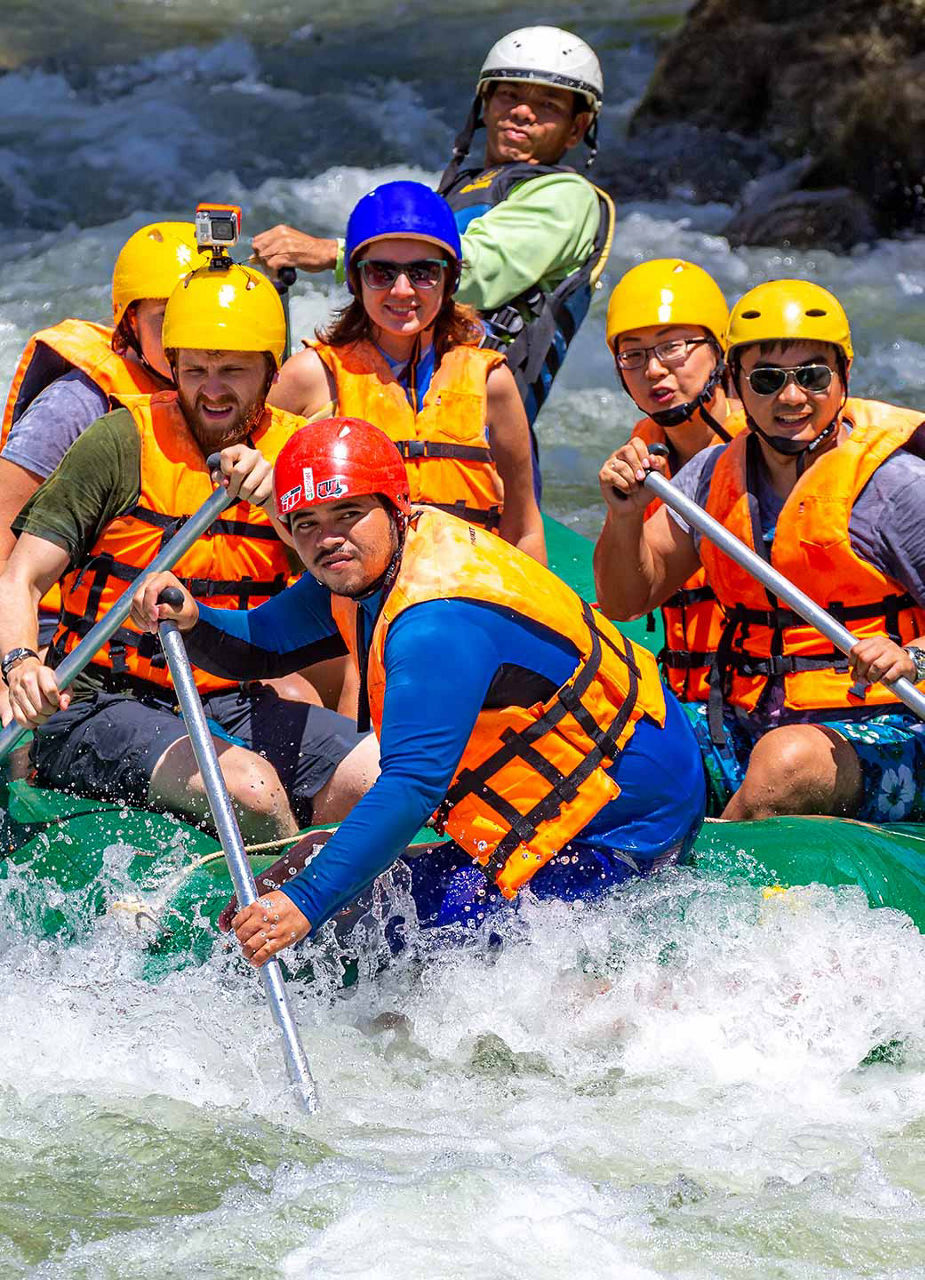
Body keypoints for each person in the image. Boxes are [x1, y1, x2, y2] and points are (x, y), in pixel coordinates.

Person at [131, 416, 706, 968]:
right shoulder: (371, 563)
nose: (327, 540)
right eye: (305, 522)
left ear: (395, 507)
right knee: (328, 875)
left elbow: (411, 784)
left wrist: (303, 904)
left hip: (623, 818)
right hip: (574, 789)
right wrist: (192, 620)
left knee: (409, 960)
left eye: (347, 513)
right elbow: (261, 645)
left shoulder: (436, 621)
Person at [0, 262, 377, 842]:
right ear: (171, 367)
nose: (212, 388)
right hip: (98, 703)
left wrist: (282, 504)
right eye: (195, 369)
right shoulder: (120, 441)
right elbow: (21, 575)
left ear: (271, 373)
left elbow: (352, 590)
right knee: (249, 788)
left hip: (225, 698)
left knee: (375, 777)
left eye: (232, 370)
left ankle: (323, 897)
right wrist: (21, 663)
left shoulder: (296, 457)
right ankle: (273, 913)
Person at [594, 279, 925, 822]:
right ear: (736, 384)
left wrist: (910, 655)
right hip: (742, 718)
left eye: (813, 377)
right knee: (613, 736)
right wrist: (624, 517)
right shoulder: (709, 475)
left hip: (890, 729)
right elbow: (626, 601)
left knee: (785, 760)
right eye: (767, 380)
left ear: (843, 378)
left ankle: (698, 885)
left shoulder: (899, 488)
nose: (791, 398)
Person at [252, 27, 614, 454]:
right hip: (402, 417)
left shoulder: (568, 197)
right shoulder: (462, 187)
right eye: (508, 96)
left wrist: (335, 253)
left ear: (577, 129)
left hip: (479, 437)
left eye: (547, 105)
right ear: (485, 105)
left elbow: (480, 272)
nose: (521, 112)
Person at [269, 180, 545, 562]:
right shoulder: (308, 377)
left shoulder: (492, 383)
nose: (402, 290)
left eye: (424, 272)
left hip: (466, 596)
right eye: (381, 272)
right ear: (355, 279)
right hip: (355, 607)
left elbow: (524, 527)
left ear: (449, 280)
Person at [0, 221, 199, 641]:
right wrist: (13, 664)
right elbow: (3, 544)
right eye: (166, 319)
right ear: (130, 325)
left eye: (198, 318)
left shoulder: (225, 396)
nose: (184, 337)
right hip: (62, 627)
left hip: (180, 613)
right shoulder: (74, 405)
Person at [600, 258, 743, 700]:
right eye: (634, 354)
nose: (654, 370)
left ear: (718, 351)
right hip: (689, 692)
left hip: (767, 695)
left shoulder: (766, 448)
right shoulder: (645, 447)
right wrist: (623, 516)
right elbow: (621, 606)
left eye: (674, 347)